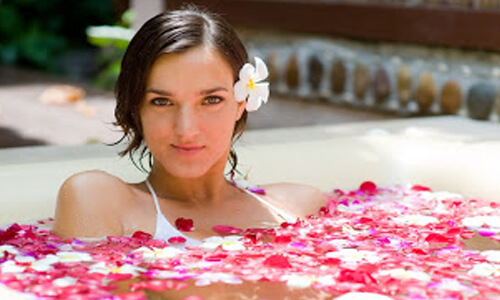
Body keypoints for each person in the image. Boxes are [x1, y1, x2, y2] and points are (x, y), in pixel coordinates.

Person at [52, 6, 327, 245]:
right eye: (161, 102)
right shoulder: (95, 198)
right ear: (136, 109)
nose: (186, 129)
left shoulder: (302, 205)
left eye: (211, 100)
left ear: (241, 102)